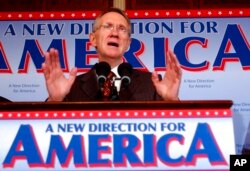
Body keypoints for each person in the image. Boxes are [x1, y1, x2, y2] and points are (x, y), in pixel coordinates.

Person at [42, 7, 182, 102]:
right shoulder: (71, 87)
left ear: (128, 43)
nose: (114, 33)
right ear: (93, 39)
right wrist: (54, 101)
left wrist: (172, 101)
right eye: (107, 26)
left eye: (121, 29)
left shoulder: (151, 83)